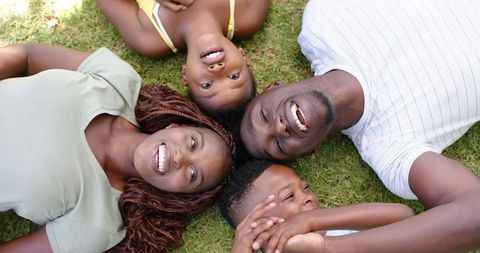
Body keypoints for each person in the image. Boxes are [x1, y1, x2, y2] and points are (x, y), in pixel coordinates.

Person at [239, 0, 480, 252]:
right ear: (311, 151)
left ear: (273, 88)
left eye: (264, 115)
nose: (278, 128)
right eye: (278, 144)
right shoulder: (389, 151)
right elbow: (475, 212)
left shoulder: (324, 20)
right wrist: (326, 247)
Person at [0, 43, 236, 253]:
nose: (181, 157)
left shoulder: (97, 223)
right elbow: (26, 56)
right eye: (193, 142)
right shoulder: (119, 79)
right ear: (177, 125)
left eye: (193, 175)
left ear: (179, 195)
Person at [95, 0, 269, 120]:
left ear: (185, 75)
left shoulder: (150, 38)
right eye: (234, 76)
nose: (217, 69)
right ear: (244, 57)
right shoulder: (247, 15)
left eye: (207, 85)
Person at [218, 160, 414, 253]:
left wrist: (312, 219)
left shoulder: (340, 227)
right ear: (259, 225)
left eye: (306, 187)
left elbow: (404, 216)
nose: (307, 197)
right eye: (289, 197)